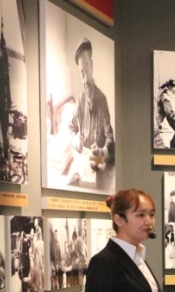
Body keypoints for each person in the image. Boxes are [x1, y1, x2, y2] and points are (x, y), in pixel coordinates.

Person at [70, 38, 115, 192]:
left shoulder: (102, 100)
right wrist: (75, 137)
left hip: (97, 169)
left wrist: (99, 156)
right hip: (82, 162)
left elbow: (111, 143)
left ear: (92, 65)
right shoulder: (79, 100)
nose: (84, 79)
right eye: (81, 73)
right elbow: (71, 126)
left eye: (87, 69)